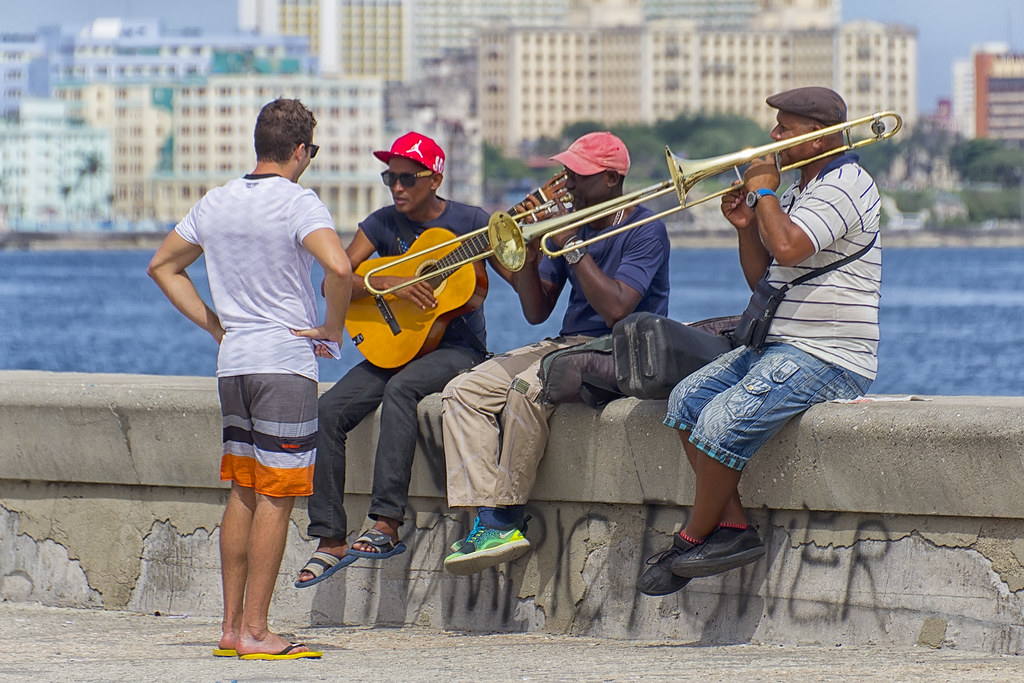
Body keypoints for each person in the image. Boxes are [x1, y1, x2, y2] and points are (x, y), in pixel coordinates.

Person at [636, 86, 881, 597]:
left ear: (817, 137)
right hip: (782, 344)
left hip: (828, 354)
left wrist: (764, 191)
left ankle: (692, 536)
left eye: (785, 129)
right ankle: (732, 529)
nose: (772, 138)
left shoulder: (847, 185)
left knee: (723, 424)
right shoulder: (799, 194)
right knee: (686, 402)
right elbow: (766, 277)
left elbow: (790, 248)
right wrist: (747, 227)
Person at [147, 98, 352, 658]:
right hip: (284, 363)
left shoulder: (217, 201)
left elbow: (163, 266)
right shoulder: (297, 201)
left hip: (234, 361)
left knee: (243, 488)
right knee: (278, 495)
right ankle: (259, 632)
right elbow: (339, 266)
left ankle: (232, 627)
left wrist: (216, 325)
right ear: (301, 151)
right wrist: (330, 329)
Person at [441, 131, 672, 575]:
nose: (565, 181)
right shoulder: (574, 227)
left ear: (609, 179)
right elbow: (536, 311)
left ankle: (502, 518)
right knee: (461, 392)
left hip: (622, 346)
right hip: (567, 344)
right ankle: (484, 518)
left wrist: (572, 247)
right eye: (566, 170)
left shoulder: (645, 227)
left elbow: (616, 309)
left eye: (578, 174)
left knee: (527, 388)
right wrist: (525, 259)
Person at [294, 132, 494, 587]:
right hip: (394, 346)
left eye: (407, 178)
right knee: (327, 411)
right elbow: (334, 282)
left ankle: (386, 522)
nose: (396, 187)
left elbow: (511, 272)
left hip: (456, 350)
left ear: (435, 178)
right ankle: (329, 538)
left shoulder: (470, 222)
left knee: (403, 391)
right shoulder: (382, 223)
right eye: (390, 177)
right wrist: (391, 284)